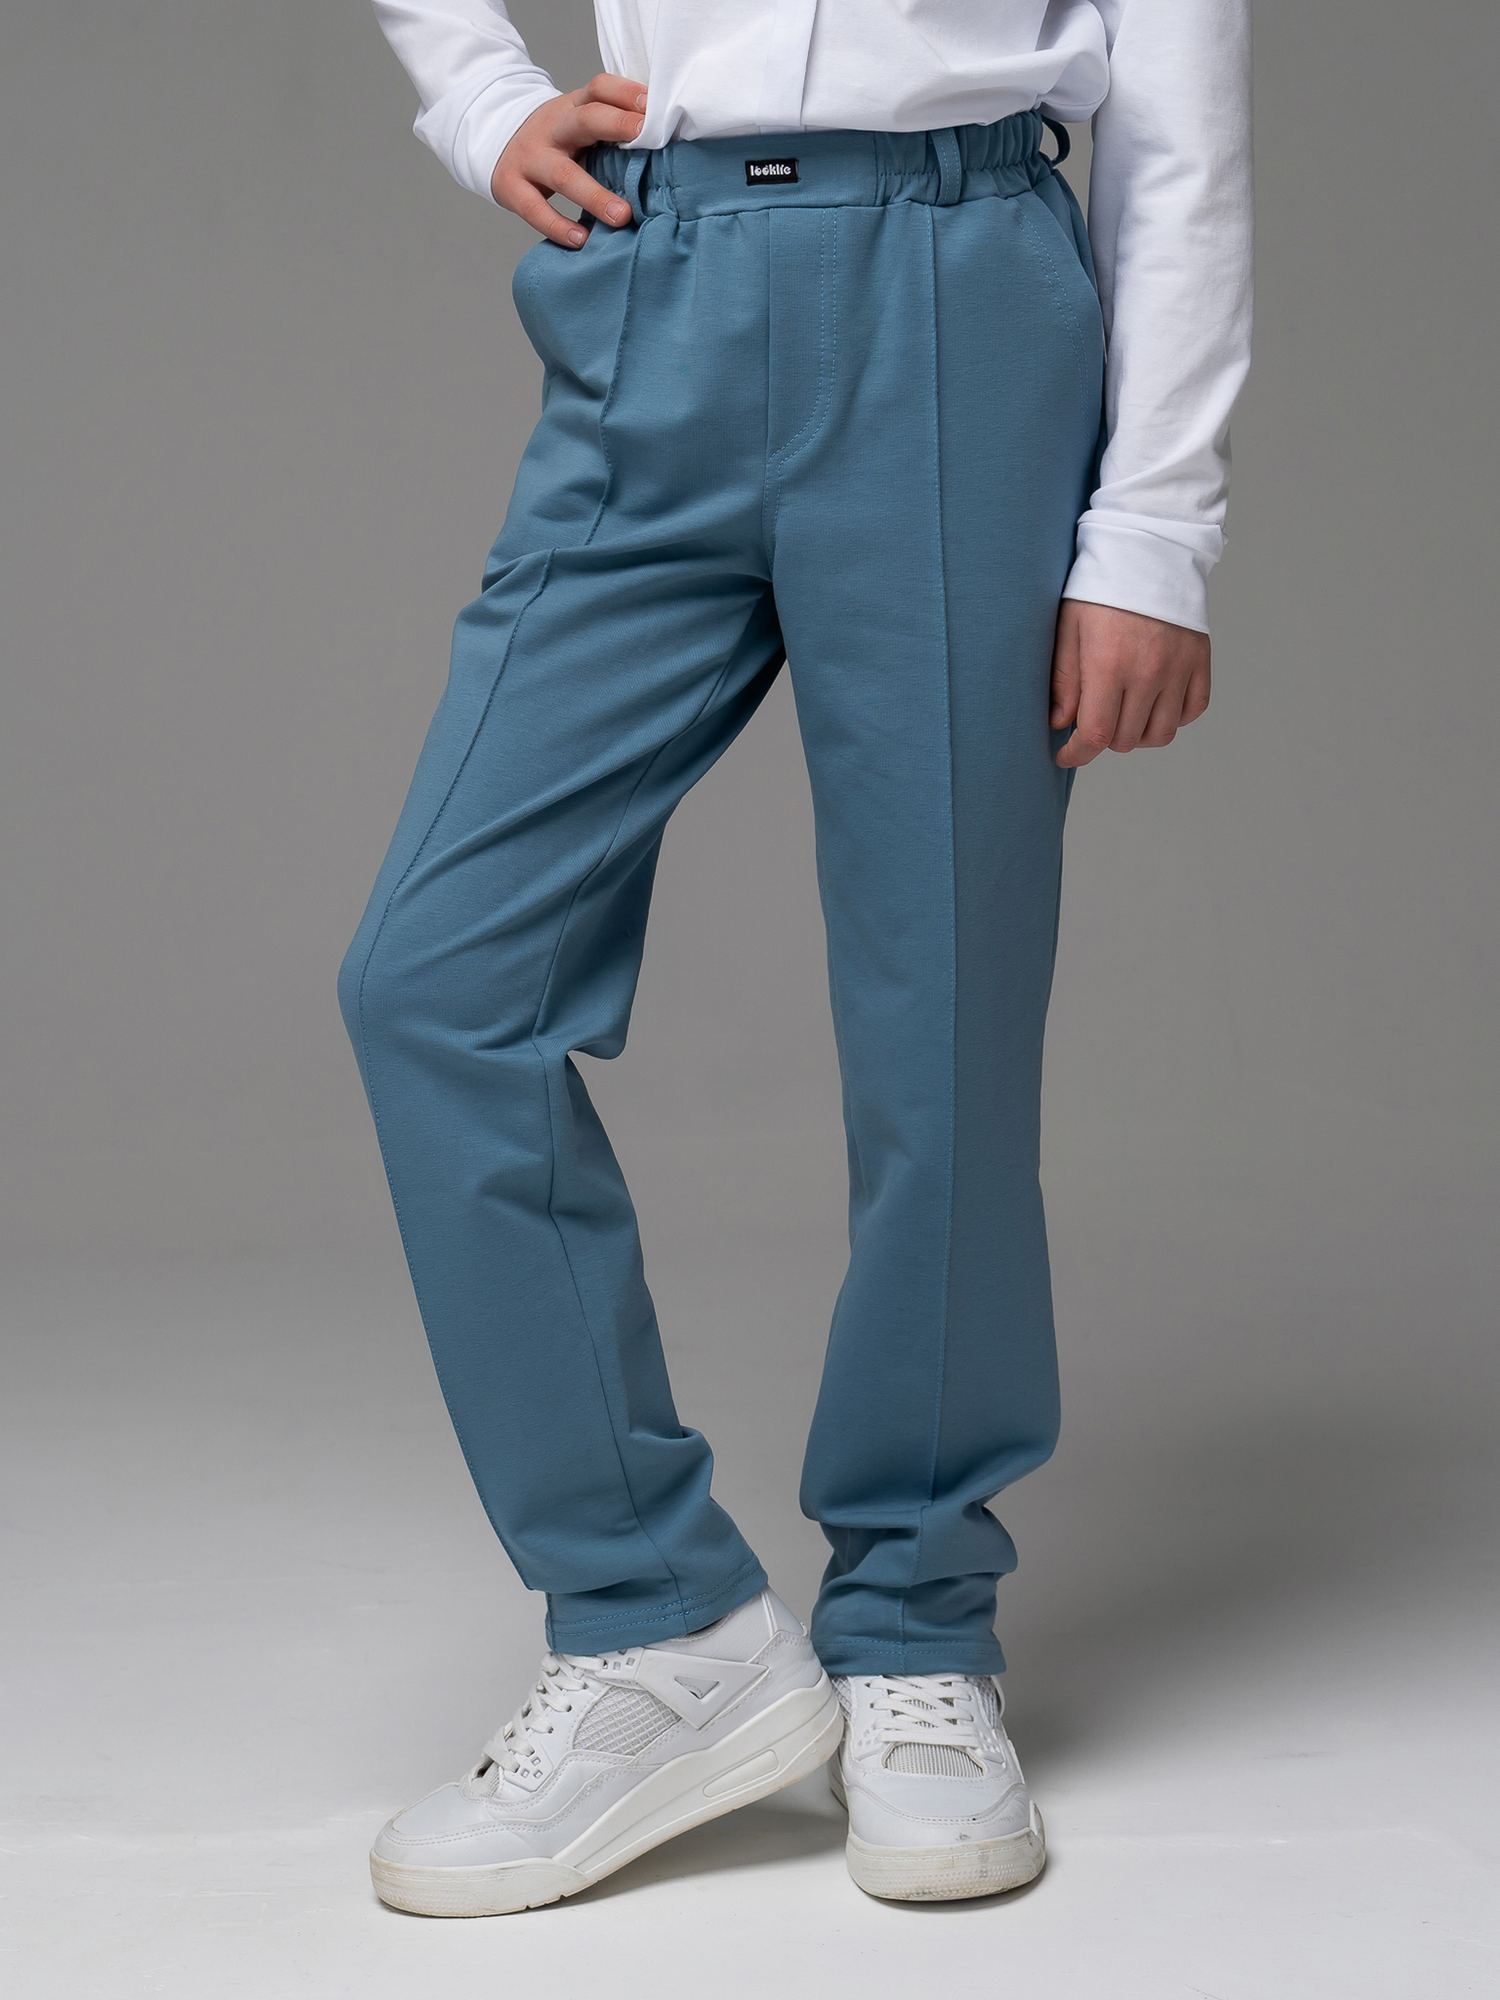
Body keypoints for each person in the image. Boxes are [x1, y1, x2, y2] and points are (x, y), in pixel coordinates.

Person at [339, 0, 1252, 1913]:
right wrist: (483, 101)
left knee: (943, 1020)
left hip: (962, 299)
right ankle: (657, 1622)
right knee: (437, 979)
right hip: (655, 286)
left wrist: (1155, 526)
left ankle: (917, 1623)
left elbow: (1178, 133)